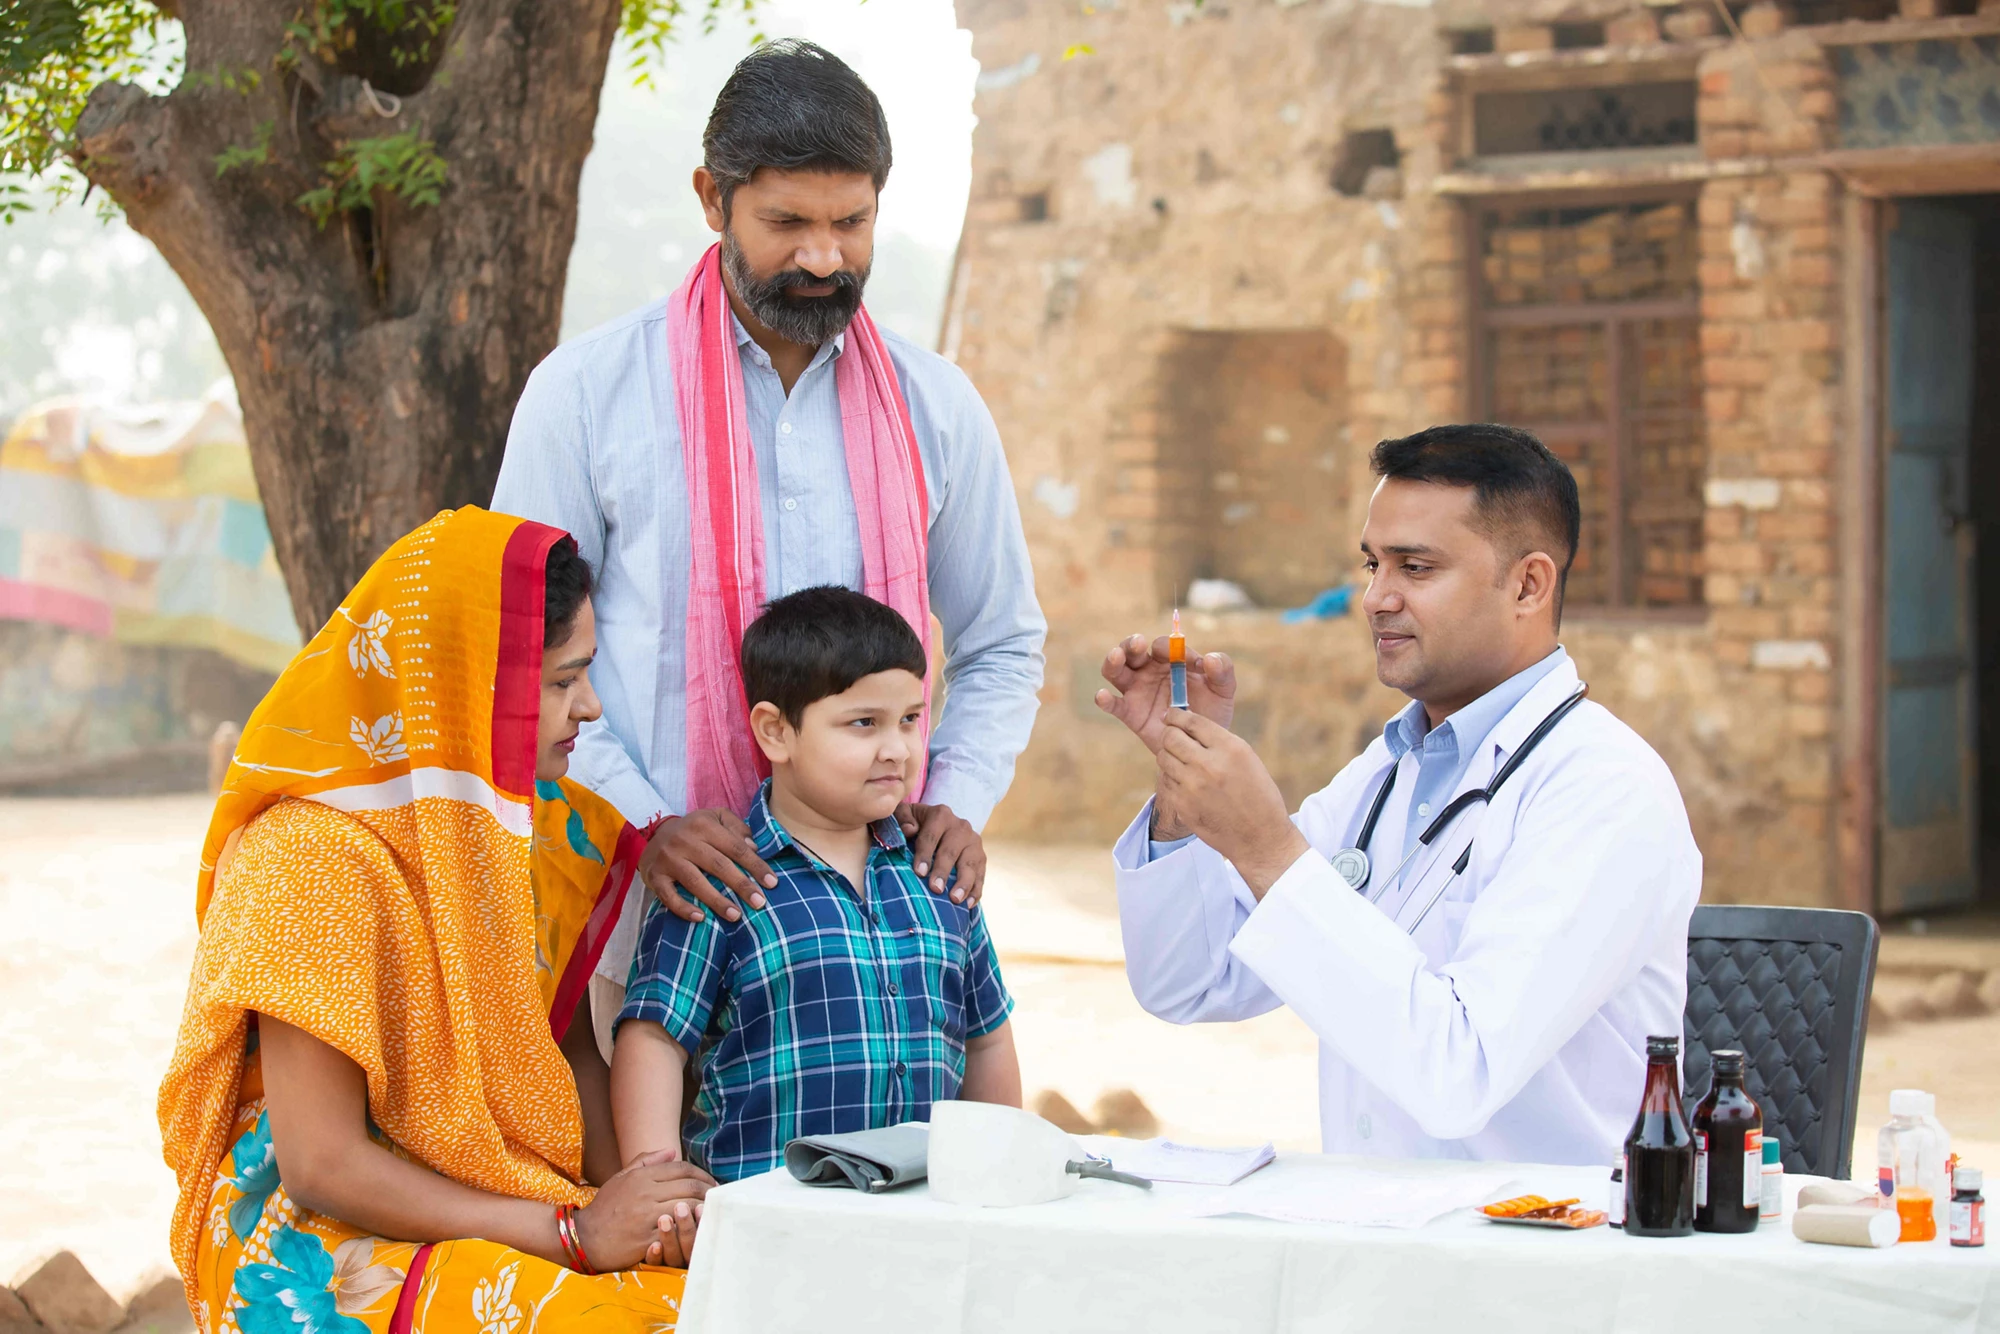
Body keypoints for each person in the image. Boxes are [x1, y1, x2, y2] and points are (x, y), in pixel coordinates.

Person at [492, 38, 1045, 1051]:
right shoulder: (587, 394)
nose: (823, 256)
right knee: (664, 1200)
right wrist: (640, 824)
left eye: (850, 222)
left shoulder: (937, 407)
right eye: (786, 222)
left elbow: (1002, 638)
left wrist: (954, 797)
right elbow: (517, 647)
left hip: (875, 940)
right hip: (636, 921)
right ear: (712, 198)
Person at [159, 508, 714, 1334]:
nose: (591, 708)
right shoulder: (310, 856)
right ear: (464, 684)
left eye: (586, 674)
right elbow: (320, 1164)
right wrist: (575, 1234)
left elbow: (566, 1065)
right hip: (314, 1239)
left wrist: (646, 1211)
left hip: (499, 1196)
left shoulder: (523, 830)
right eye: (563, 681)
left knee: (723, 1298)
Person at [1096, 425, 1701, 1166]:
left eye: (1415, 567)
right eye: (1372, 564)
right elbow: (1186, 982)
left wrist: (1268, 850)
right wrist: (1180, 782)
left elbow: (1460, 1070)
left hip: (1541, 1252)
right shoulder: (1388, 774)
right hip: (1380, 1238)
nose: (1376, 598)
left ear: (1527, 585)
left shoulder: (1603, 790)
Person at [609, 586, 1021, 1182]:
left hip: (929, 1221)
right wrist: (659, 1188)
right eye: (863, 723)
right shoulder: (722, 876)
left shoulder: (939, 873)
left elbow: (986, 1039)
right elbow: (654, 1038)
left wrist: (1007, 1169)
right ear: (776, 732)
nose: (897, 749)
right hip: (766, 1222)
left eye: (910, 720)